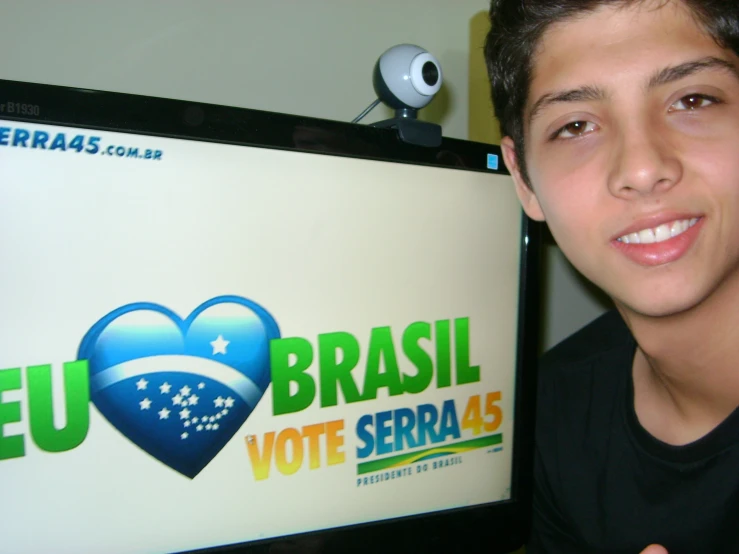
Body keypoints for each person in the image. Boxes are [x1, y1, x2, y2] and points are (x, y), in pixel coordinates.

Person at [483, 0, 739, 552]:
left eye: (691, 99)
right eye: (575, 126)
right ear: (524, 182)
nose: (642, 169)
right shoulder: (552, 415)